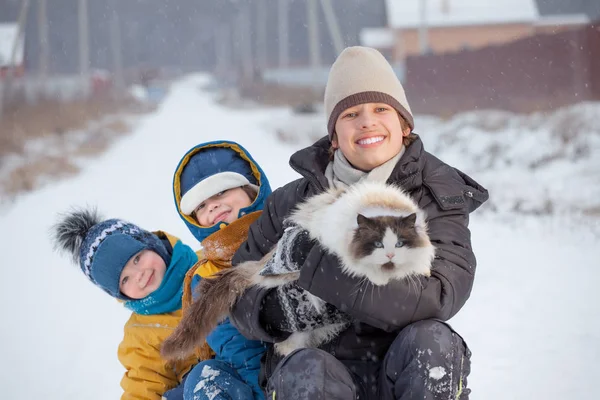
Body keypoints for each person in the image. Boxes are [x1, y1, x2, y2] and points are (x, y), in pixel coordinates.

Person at [229, 46, 489, 399]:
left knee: (434, 342)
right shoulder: (291, 202)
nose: (367, 121)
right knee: (306, 369)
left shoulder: (436, 193)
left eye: (381, 108)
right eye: (350, 113)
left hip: (401, 366)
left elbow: (439, 297)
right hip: (321, 370)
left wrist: (325, 271)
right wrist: (284, 310)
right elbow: (238, 296)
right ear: (334, 136)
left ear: (404, 124)